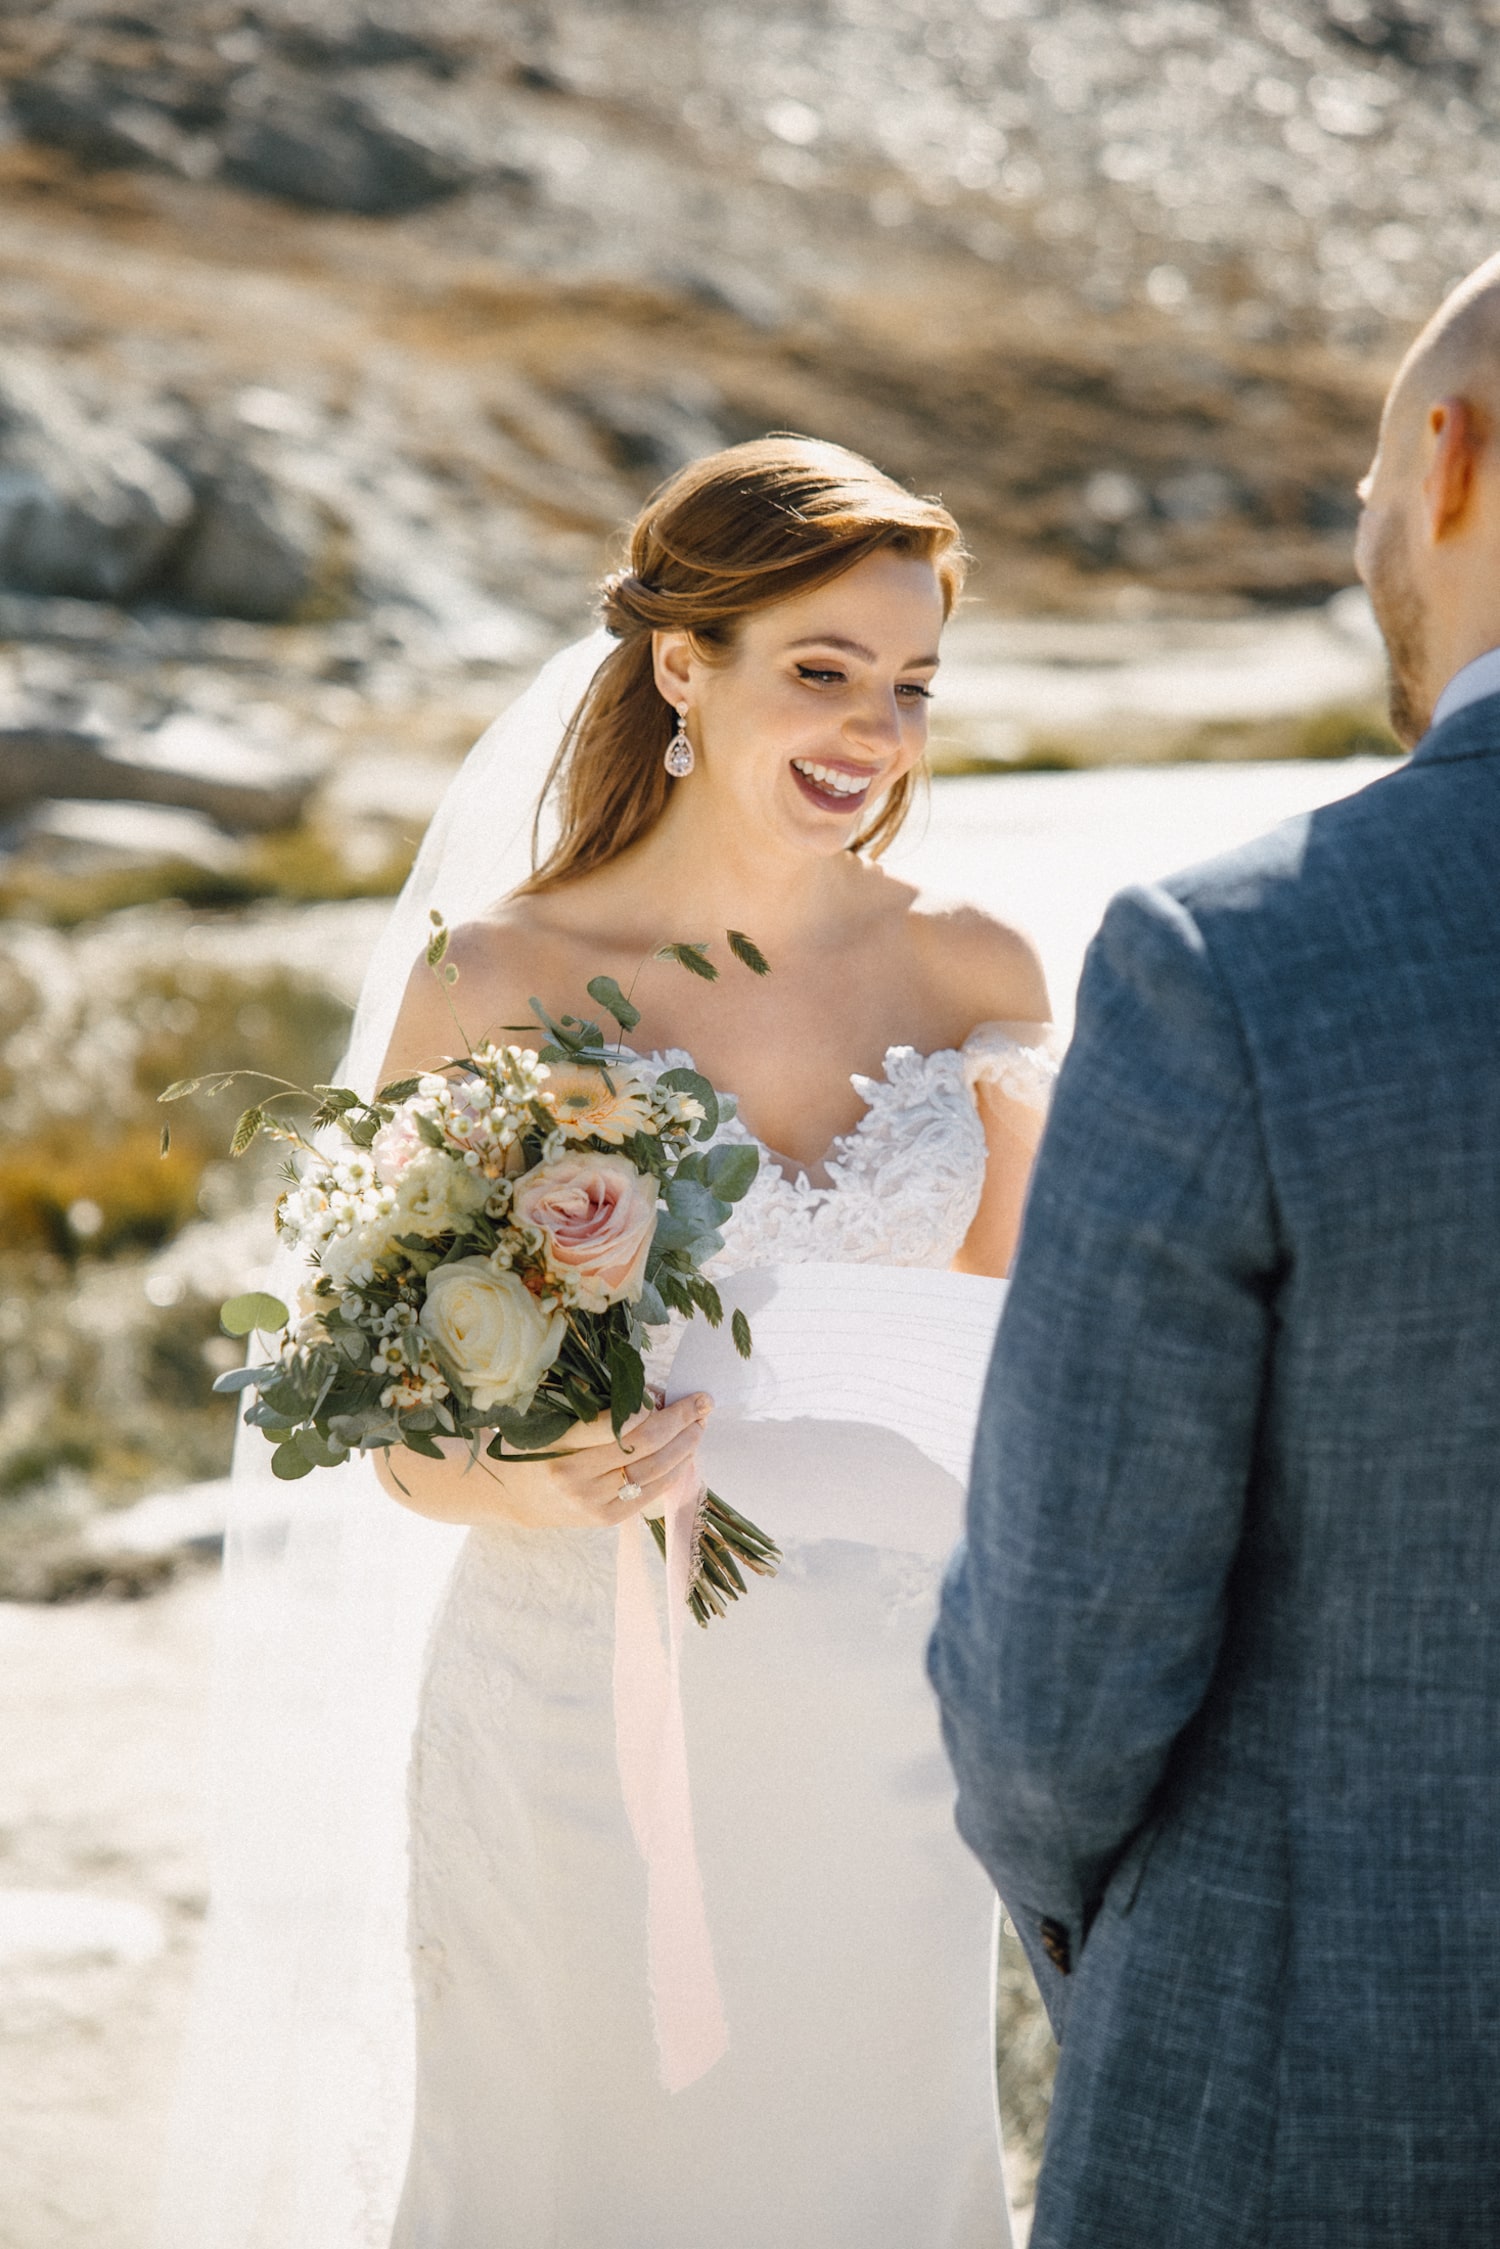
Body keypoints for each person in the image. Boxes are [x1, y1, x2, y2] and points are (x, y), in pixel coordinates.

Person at [159, 437, 1056, 2249]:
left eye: (911, 686)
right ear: (680, 665)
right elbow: (380, 1424)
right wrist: (530, 1472)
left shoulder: (982, 975)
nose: (875, 729)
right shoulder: (492, 980)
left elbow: (1047, 1380)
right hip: (575, 1718)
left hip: (893, 1740)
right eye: (823, 669)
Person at [928, 256, 1500, 2248]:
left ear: (1446, 462)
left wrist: (1131, 1954)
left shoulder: (1237, 965)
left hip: (1327, 2094)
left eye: (1361, 471)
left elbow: (1056, 1678)